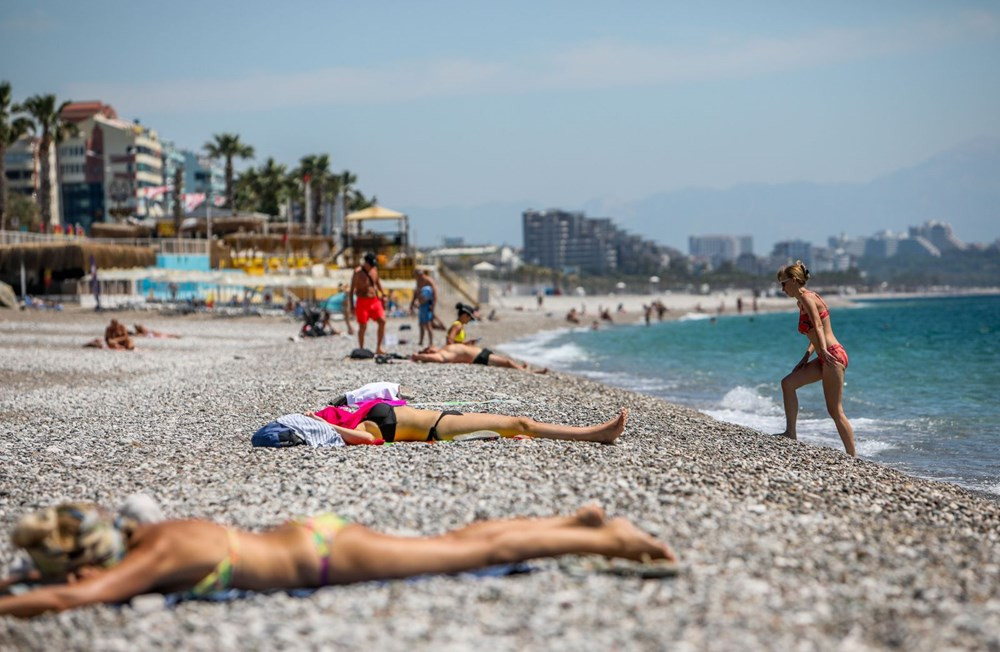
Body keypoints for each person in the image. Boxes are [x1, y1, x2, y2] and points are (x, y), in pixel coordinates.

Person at [0, 502, 675, 618]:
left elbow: (72, 599)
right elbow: (72, 578)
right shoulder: (149, 532)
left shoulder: (158, 555)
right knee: (457, 542)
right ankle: (571, 522)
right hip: (313, 538)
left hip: (326, 558)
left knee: (468, 553)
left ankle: (606, 539)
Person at [257, 402, 628, 446]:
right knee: (520, 423)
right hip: (440, 429)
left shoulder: (347, 410)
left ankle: (595, 433)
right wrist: (331, 428)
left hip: (443, 417)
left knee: (518, 424)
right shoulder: (361, 429)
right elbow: (370, 443)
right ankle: (596, 435)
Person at [774, 261, 855, 457]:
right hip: (823, 355)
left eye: (783, 284)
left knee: (835, 410)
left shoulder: (808, 298)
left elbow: (819, 327)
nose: (781, 289)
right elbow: (814, 333)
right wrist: (807, 355)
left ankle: (853, 456)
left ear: (793, 281)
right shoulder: (800, 301)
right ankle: (790, 433)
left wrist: (824, 351)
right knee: (788, 383)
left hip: (832, 355)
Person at [411, 342, 546, 374]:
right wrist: (418, 356)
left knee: (506, 362)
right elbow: (436, 359)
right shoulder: (443, 354)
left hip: (481, 352)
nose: (432, 347)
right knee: (507, 362)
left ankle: (521, 368)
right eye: (429, 349)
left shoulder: (444, 347)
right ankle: (530, 372)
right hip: (478, 357)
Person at [349, 252, 387, 354]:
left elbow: (377, 282)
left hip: (374, 301)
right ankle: (361, 348)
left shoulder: (374, 270)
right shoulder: (357, 272)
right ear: (365, 263)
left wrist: (383, 294)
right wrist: (352, 306)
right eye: (370, 264)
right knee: (363, 326)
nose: (372, 266)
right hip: (362, 301)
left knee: (382, 321)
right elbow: (351, 290)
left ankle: (378, 347)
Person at [410, 269, 438, 347]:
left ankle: (431, 342)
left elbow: (435, 294)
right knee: (421, 324)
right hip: (421, 306)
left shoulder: (428, 281)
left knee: (428, 324)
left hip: (427, 305)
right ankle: (421, 341)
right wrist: (412, 304)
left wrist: (433, 306)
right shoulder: (418, 281)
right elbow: (416, 293)